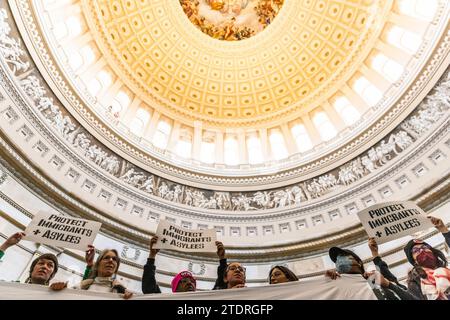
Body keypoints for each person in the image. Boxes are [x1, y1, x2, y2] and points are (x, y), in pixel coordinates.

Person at [326, 246, 417, 300]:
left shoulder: (377, 280)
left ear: (359, 263)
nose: (340, 260)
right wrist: (328, 282)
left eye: (344, 256)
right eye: (337, 259)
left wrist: (388, 284)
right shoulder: (339, 288)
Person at [51, 248, 133, 299]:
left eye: (114, 259)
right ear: (97, 265)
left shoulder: (122, 292)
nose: (111, 260)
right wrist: (60, 292)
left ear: (116, 268)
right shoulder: (83, 286)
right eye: (106, 258)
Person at [404, 216, 450, 300]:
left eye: (425, 247)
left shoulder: (446, 271)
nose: (422, 250)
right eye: (416, 250)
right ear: (415, 262)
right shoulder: (415, 284)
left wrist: (444, 230)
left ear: (433, 252)